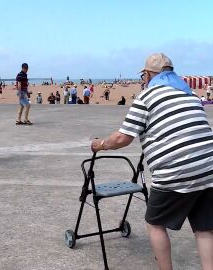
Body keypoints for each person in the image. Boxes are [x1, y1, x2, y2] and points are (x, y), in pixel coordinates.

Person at [91, 53, 213, 270]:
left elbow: (122, 138)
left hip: (176, 171)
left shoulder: (147, 96)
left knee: (155, 222)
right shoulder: (190, 94)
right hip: (208, 168)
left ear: (147, 74)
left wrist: (100, 145)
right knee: (204, 228)